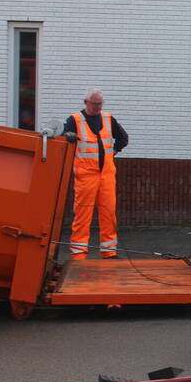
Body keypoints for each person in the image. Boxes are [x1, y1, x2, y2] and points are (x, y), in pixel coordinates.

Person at [64, 88, 128, 259]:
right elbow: (64, 139)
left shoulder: (108, 119)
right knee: (83, 215)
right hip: (86, 176)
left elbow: (123, 138)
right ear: (86, 102)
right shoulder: (75, 120)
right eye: (94, 104)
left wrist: (114, 151)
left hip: (106, 175)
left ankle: (109, 251)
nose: (97, 107)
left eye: (100, 104)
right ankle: (78, 254)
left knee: (108, 213)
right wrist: (68, 136)